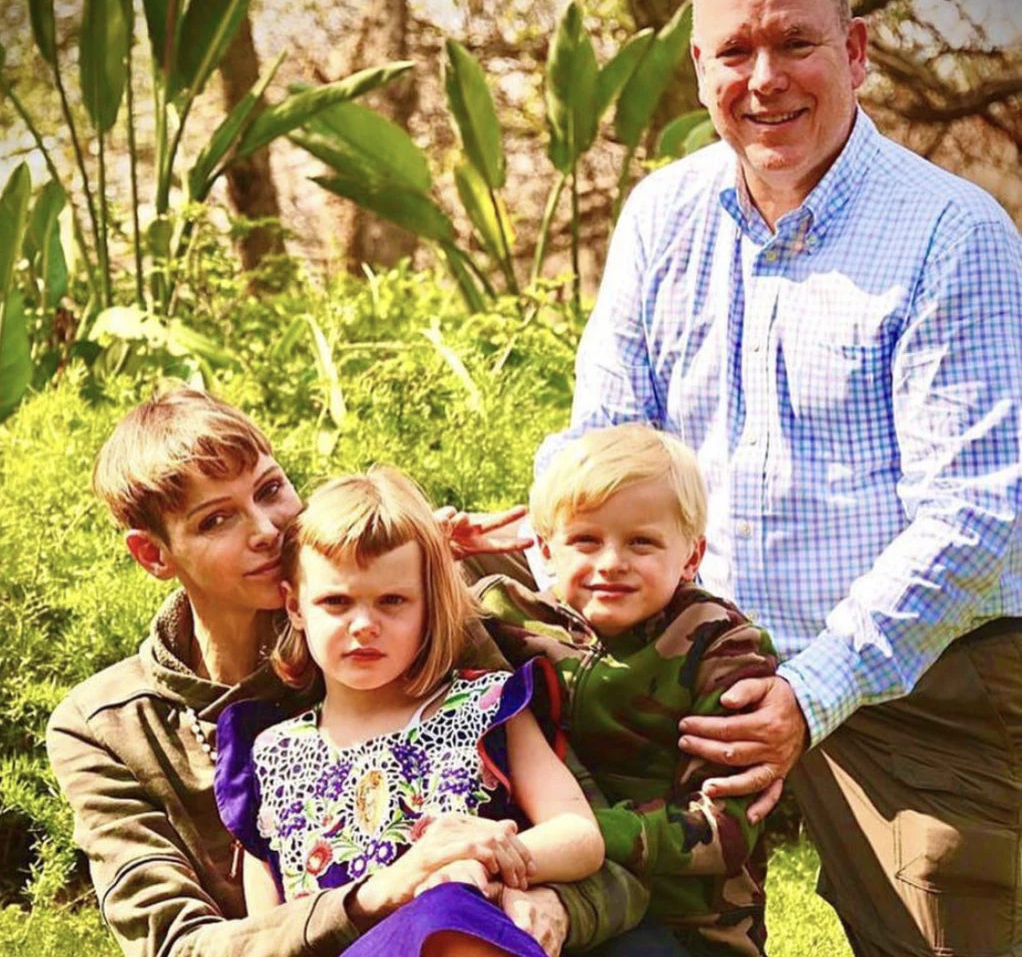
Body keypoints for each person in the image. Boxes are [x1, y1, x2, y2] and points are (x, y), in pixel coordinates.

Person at [537, 0, 1022, 957]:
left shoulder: (950, 233)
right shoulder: (660, 216)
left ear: (854, 51)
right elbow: (601, 443)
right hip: (681, 664)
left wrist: (811, 689)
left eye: (795, 44)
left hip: (913, 678)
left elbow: (978, 516)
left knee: (949, 933)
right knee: (581, 908)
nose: (763, 79)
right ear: (700, 66)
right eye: (733, 52)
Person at [46, 387, 645, 957]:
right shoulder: (106, 727)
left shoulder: (416, 635)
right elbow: (178, 946)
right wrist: (379, 893)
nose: (267, 529)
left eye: (271, 488)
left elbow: (606, 853)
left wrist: (554, 904)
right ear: (154, 555)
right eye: (216, 521)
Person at [215, 466, 606, 957]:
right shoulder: (270, 754)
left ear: (429, 605)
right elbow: (271, 931)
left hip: (458, 937)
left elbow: (580, 836)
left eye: (393, 601)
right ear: (295, 606)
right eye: (336, 602)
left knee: (448, 914)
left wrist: (487, 860)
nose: (364, 626)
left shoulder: (483, 707)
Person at [476, 424, 777, 957]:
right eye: (586, 540)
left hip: (690, 920)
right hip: (553, 888)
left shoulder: (722, 648)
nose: (612, 562)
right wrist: (434, 541)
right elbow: (400, 614)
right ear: (545, 549)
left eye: (642, 542)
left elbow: (724, 827)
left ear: (691, 556)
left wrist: (586, 836)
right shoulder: (509, 618)